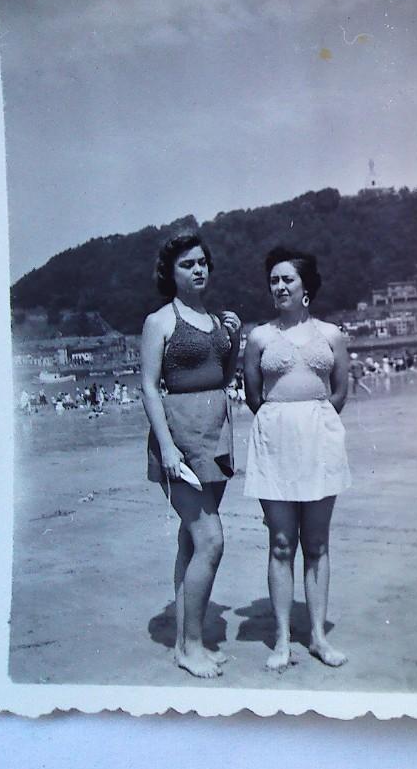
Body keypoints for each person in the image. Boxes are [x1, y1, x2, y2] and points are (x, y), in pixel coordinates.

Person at [243, 248, 351, 672]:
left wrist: (315, 420)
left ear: (306, 287)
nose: (279, 286)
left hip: (321, 438)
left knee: (318, 543)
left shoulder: (332, 334)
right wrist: (282, 422)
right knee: (282, 542)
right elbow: (254, 395)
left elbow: (340, 390)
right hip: (275, 440)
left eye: (287, 279)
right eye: (273, 280)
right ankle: (283, 639)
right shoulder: (259, 338)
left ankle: (319, 637)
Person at [140, 232, 241, 678]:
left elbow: (224, 372)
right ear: (171, 273)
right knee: (211, 540)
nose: (198, 270)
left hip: (215, 434)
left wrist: (234, 341)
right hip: (180, 437)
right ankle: (191, 646)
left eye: (203, 262)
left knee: (190, 539)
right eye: (187, 264)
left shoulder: (216, 319)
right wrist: (165, 446)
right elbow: (147, 385)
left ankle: (186, 641)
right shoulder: (159, 321)